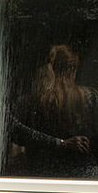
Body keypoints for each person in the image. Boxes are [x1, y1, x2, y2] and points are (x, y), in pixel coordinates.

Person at [10, 44, 97, 179]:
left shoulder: (31, 101)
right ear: (72, 70)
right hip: (83, 179)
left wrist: (55, 143)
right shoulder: (89, 99)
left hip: (40, 178)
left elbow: (15, 133)